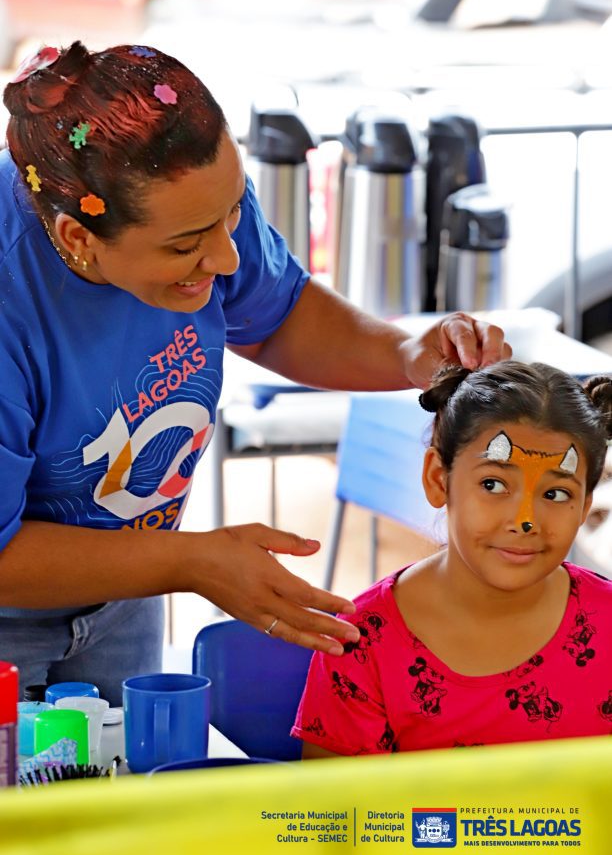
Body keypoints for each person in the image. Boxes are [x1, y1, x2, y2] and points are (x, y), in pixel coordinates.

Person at [0, 41, 510, 706]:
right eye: (185, 246)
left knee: (116, 793)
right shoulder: (13, 294)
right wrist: (191, 561)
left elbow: (279, 313)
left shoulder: (197, 202)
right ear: (77, 239)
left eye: (232, 214)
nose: (226, 258)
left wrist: (407, 356)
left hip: (126, 590)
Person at [292, 361, 612, 756]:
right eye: (493, 484)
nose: (525, 521)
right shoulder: (362, 643)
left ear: (585, 506)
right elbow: (335, 814)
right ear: (438, 480)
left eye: (556, 494)